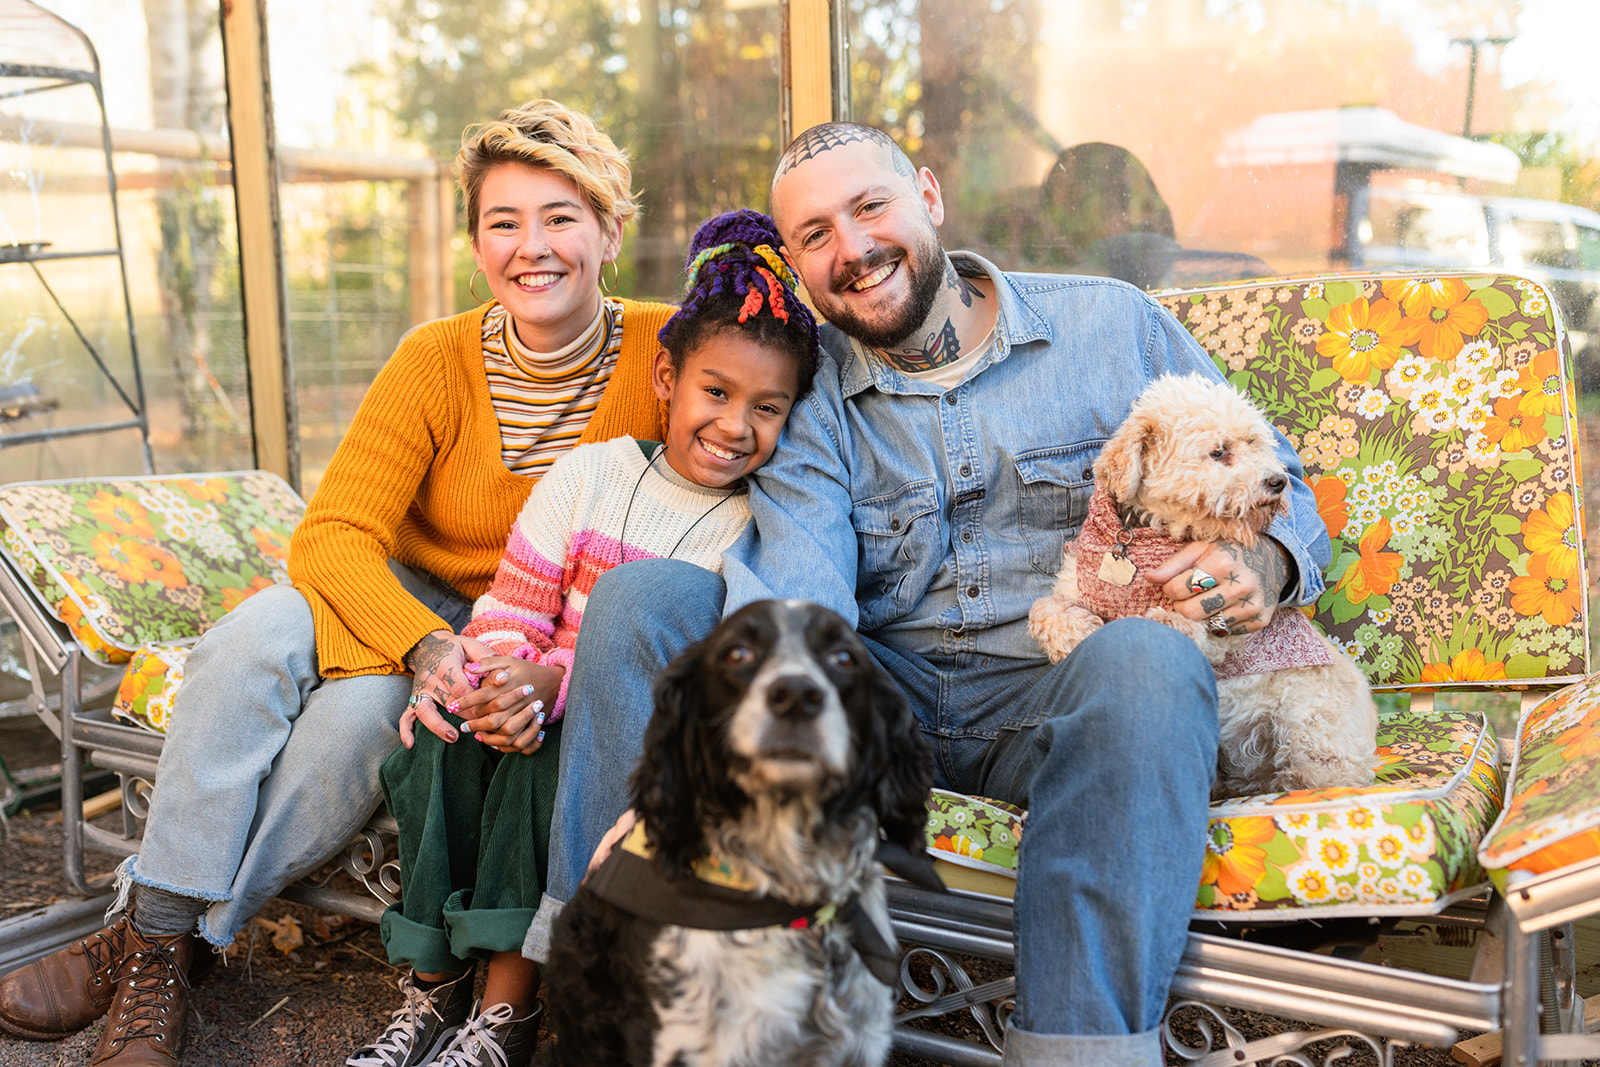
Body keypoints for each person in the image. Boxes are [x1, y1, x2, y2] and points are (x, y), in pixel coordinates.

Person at [522, 123, 1331, 1067]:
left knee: (1150, 659)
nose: (854, 249)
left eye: (871, 207)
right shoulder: (810, 386)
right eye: (816, 234)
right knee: (646, 598)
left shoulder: (1113, 326)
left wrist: (1264, 566)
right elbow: (801, 599)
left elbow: (1284, 482)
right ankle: (593, 1003)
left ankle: (1082, 1053)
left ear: (930, 198)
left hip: (1062, 697)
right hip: (883, 705)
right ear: (797, 262)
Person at [0, 99, 676, 1067]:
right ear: (475, 240)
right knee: (242, 644)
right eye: (503, 221)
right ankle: (157, 933)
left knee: (351, 733)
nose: (533, 246)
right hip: (399, 598)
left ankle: (163, 943)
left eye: (561, 217)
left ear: (610, 229)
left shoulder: (661, 354)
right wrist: (425, 643)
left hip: (524, 625)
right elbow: (332, 534)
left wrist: (486, 652)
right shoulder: (435, 357)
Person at [346, 209, 818, 1067]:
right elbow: (513, 602)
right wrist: (485, 679)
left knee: (543, 759)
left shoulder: (752, 527)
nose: (736, 425)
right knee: (437, 743)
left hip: (610, 724)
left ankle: (506, 1011)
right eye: (716, 392)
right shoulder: (593, 471)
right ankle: (430, 989)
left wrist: (544, 691)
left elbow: (670, 666)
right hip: (521, 684)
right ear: (667, 376)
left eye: (768, 408)